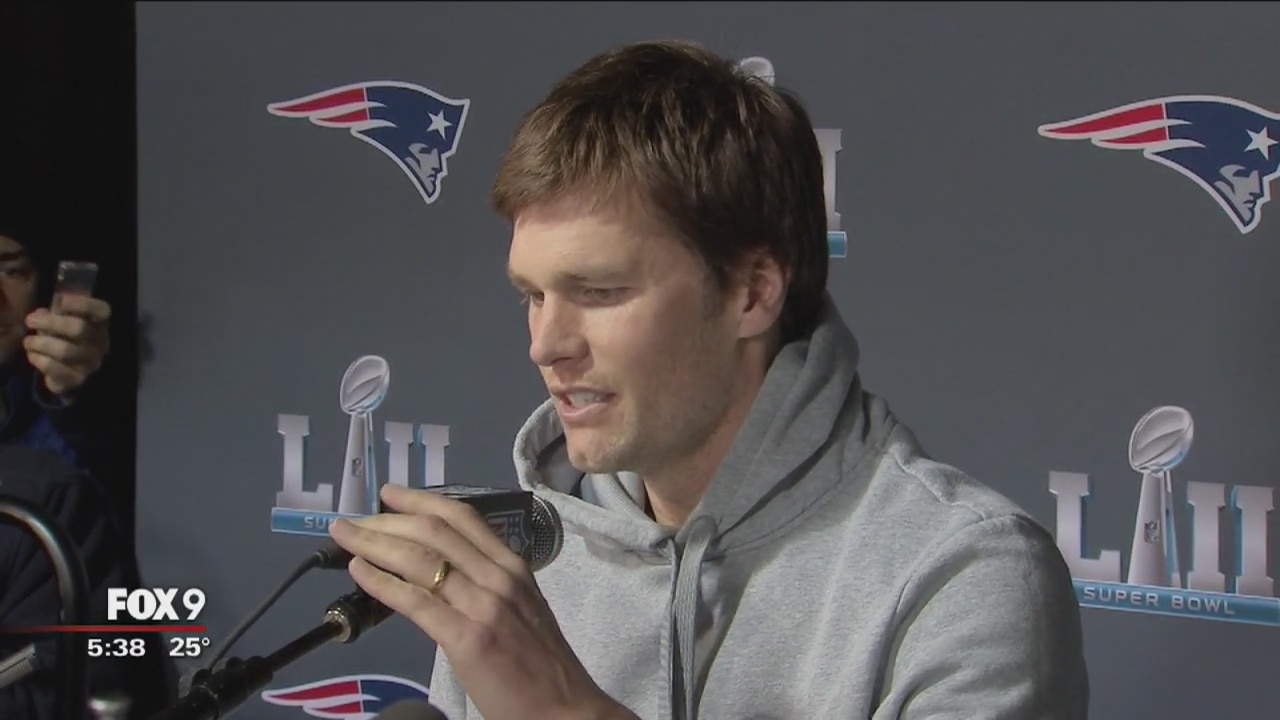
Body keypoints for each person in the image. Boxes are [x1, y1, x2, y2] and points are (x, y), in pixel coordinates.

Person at [328, 39, 1090, 719]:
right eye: (533, 295)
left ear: (752, 293)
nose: (546, 345)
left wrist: (564, 711)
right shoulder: (519, 566)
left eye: (600, 292)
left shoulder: (962, 578)